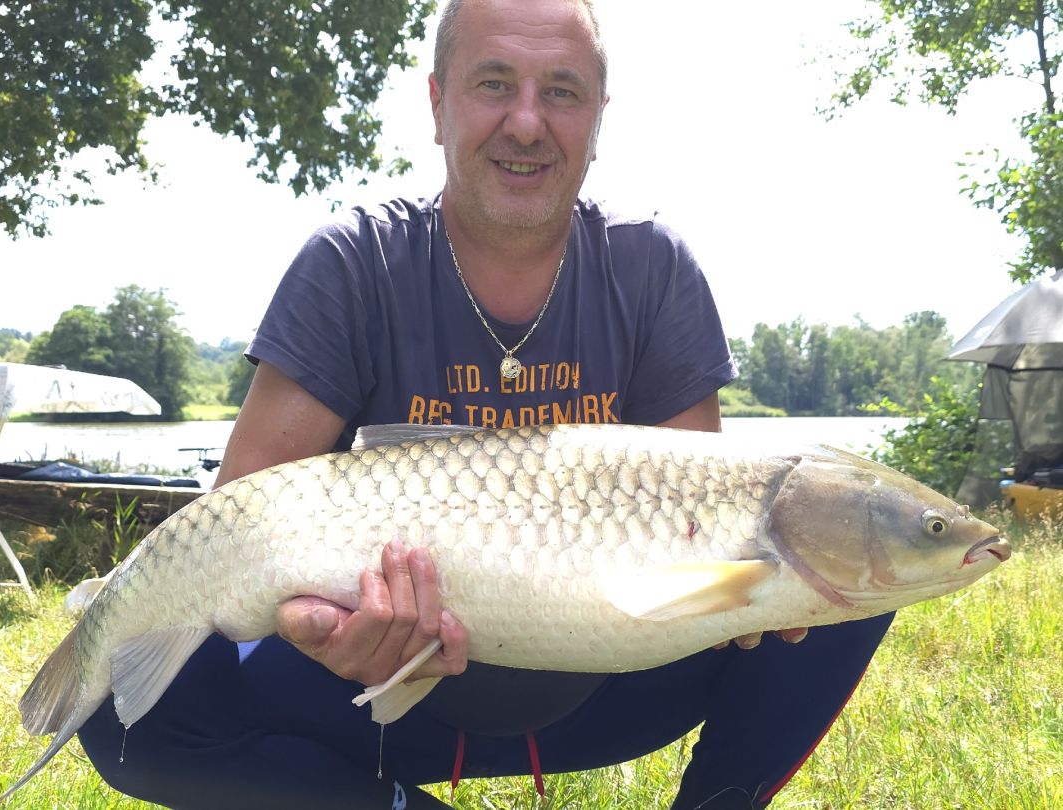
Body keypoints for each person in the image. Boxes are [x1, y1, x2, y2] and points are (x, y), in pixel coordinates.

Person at [78, 1, 893, 808]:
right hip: (377, 704)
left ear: (599, 118)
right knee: (123, 710)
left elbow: (704, 530)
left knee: (847, 565)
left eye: (563, 92)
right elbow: (239, 524)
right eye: (494, 83)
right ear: (438, 103)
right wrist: (321, 629)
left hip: (601, 690)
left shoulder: (654, 269)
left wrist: (756, 599)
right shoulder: (353, 262)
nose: (528, 123)